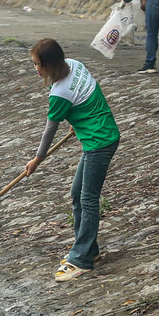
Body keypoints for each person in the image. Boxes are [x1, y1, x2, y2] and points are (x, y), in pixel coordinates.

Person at [23, 39, 121, 283]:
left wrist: (38, 158)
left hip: (99, 141)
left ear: (50, 64)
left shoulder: (59, 93)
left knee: (88, 199)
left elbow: (49, 130)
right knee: (77, 194)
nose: (35, 69)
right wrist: (75, 123)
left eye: (38, 64)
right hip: (98, 134)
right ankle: (90, 249)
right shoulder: (75, 65)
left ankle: (81, 260)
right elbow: (87, 97)